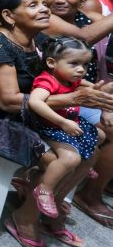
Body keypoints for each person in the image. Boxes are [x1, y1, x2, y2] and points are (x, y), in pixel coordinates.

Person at [0, 0, 113, 247]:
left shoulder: (38, 41)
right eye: (33, 5)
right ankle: (25, 218)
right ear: (9, 15)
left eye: (43, 3)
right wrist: (72, 99)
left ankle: (48, 205)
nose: (44, 8)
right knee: (58, 158)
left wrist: (90, 90)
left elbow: (57, 80)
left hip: (28, 116)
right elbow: (8, 101)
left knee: (93, 143)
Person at [28, 37, 103, 219]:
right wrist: (62, 122)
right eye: (74, 63)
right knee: (70, 159)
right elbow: (34, 102)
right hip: (49, 125)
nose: (81, 70)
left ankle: (84, 158)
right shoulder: (48, 81)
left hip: (66, 121)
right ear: (52, 63)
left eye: (85, 65)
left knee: (99, 135)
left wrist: (94, 88)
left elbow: (83, 84)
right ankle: (44, 188)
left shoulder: (69, 78)